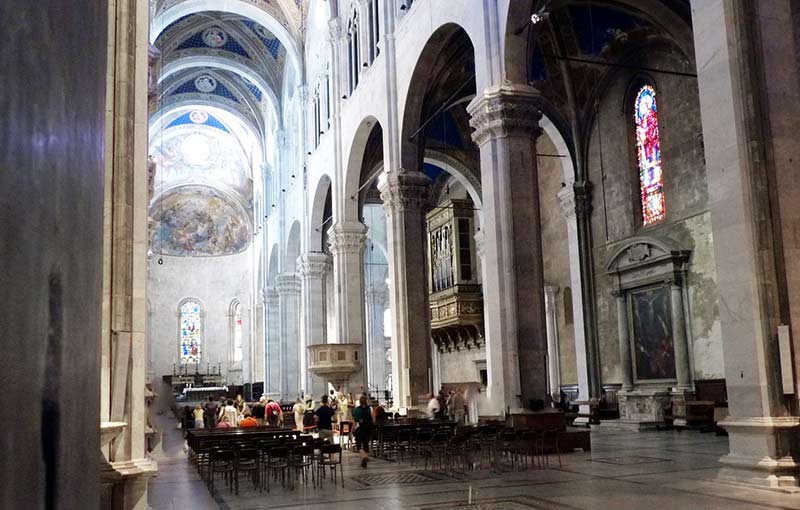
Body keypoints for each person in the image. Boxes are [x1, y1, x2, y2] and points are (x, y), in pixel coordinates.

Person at [352, 396, 373, 468]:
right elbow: (373, 419)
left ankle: (363, 456)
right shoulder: (370, 409)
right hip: (368, 429)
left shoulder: (357, 410)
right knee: (366, 444)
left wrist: (353, 429)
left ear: (360, 402)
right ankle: (364, 460)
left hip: (360, 429)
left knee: (358, 446)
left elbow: (355, 421)